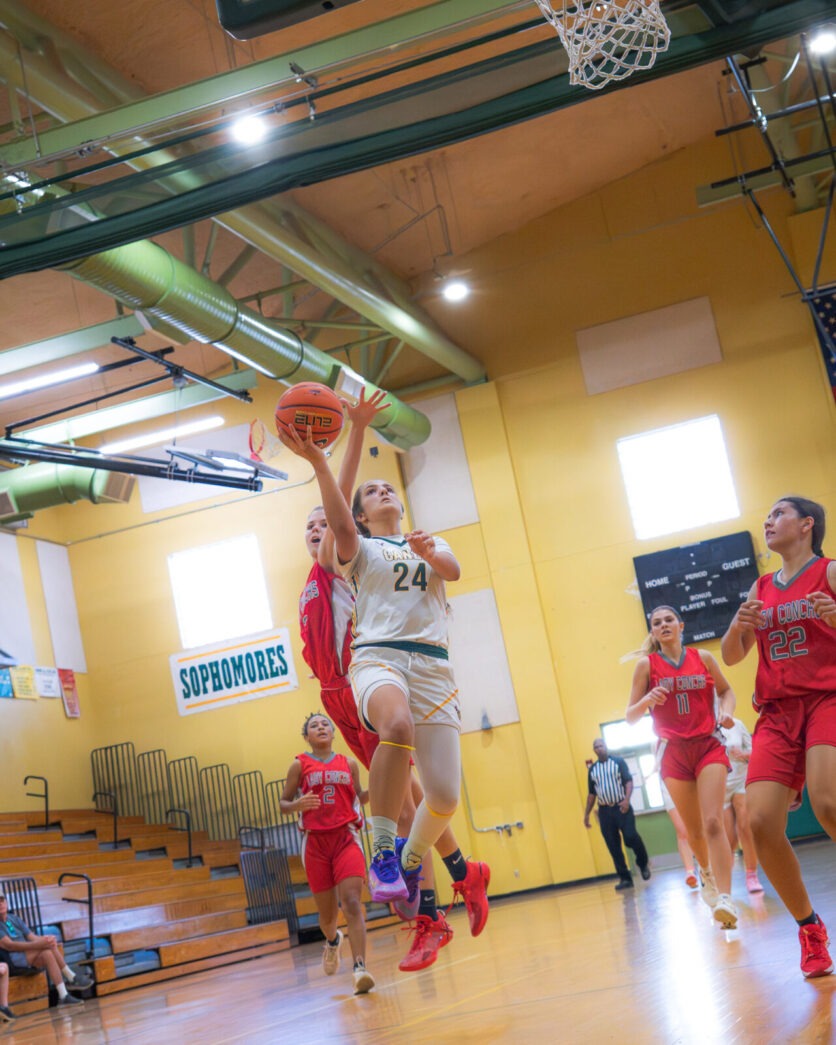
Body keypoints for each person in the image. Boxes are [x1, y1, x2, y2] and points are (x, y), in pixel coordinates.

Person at [297, 392, 489, 973]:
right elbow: (335, 517)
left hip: (429, 666)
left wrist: (434, 553)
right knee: (398, 746)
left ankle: (452, 870)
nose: (316, 530)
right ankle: (405, 881)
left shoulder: (416, 542)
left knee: (441, 798)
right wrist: (335, 454)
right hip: (374, 666)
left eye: (389, 488)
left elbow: (455, 572)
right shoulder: (344, 556)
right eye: (371, 491)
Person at [721, 495, 836, 978]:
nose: (767, 521)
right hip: (776, 712)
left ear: (807, 524)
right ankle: (810, 930)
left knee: (828, 802)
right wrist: (738, 623)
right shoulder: (761, 586)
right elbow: (731, 656)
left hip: (826, 698)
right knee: (762, 823)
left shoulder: (830, 572)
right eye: (766, 515)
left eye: (779, 513)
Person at [626, 605, 739, 930]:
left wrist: (726, 712)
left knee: (714, 821)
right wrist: (647, 701)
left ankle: (726, 897)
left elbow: (726, 690)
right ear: (652, 632)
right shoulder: (646, 666)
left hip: (707, 744)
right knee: (694, 832)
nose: (663, 625)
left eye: (668, 620)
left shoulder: (702, 658)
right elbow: (630, 716)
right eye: (656, 622)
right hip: (672, 751)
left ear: (680, 625)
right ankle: (706, 874)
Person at [279, 712, 375, 994]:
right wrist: (297, 805)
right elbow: (284, 803)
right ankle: (333, 941)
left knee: (353, 902)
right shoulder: (299, 764)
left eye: (325, 725)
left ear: (333, 733)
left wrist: (384, 783)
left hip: (346, 837)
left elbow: (359, 795)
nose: (320, 728)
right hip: (315, 843)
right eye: (313, 726)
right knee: (328, 916)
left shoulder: (350, 763)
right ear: (307, 737)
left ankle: (360, 968)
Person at [584, 738, 651, 890]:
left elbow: (628, 782)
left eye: (600, 746)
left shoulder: (618, 762)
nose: (598, 749)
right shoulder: (593, 770)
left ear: (606, 747)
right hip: (605, 811)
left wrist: (627, 800)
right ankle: (625, 878)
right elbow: (591, 794)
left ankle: (643, 863)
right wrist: (586, 814)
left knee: (630, 836)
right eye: (595, 747)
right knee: (613, 846)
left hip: (622, 807)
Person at [0, 893, 91, 1006]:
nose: (0, 903)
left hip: (27, 954)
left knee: (47, 951)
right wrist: (40, 944)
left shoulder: (14, 918)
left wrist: (46, 939)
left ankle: (63, 995)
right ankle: (71, 976)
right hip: (12, 959)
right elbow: (10, 946)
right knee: (46, 946)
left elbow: (32, 937)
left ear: (6, 902)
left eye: (2, 900)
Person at [719, 716, 763, 894]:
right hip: (721, 785)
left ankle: (751, 874)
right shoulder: (706, 726)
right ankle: (722, 883)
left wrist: (743, 755)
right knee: (729, 838)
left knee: (745, 825)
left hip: (740, 780)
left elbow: (755, 752)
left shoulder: (738, 724)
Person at [659, 778, 698, 888]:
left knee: (698, 828)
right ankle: (690, 872)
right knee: (682, 831)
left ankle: (705, 867)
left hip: (691, 777)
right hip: (668, 780)